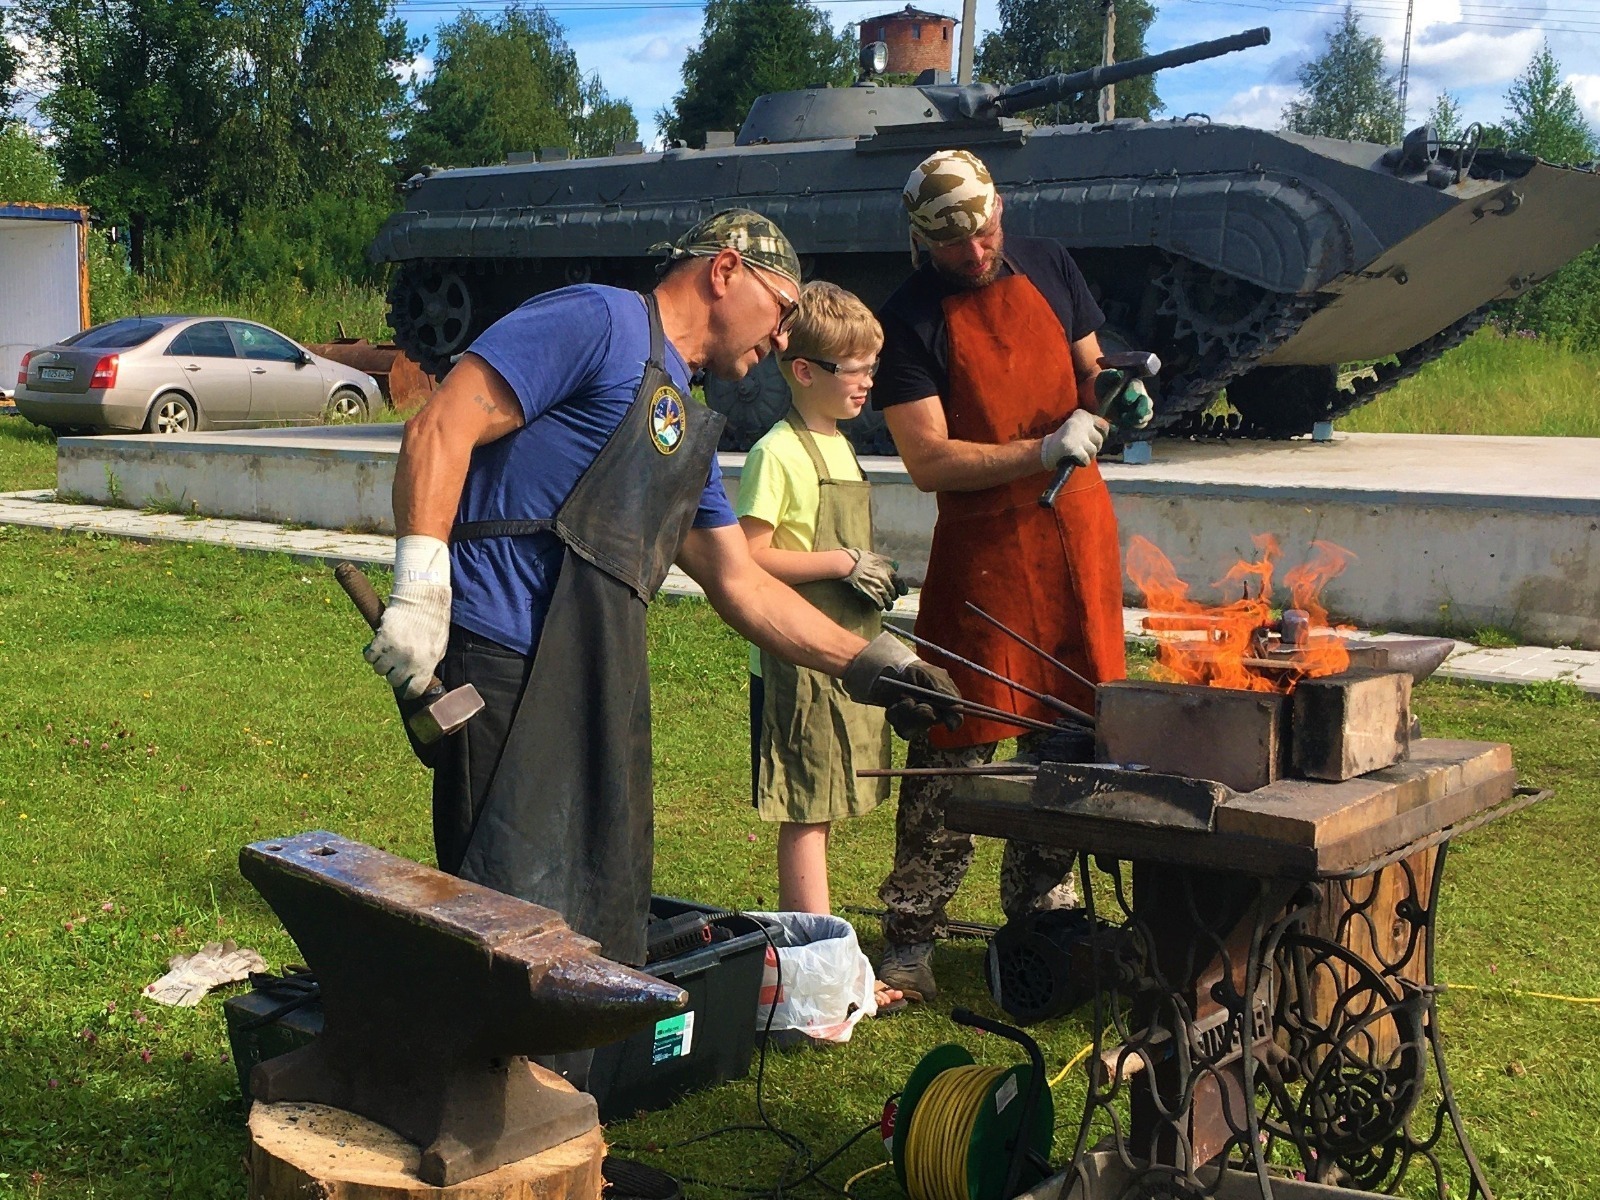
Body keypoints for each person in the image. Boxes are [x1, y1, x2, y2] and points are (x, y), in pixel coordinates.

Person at [360, 209, 963, 985]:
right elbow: (439, 427)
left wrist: (873, 665)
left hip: (595, 671)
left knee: (591, 893)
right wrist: (419, 591)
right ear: (724, 272)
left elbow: (739, 580)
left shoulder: (680, 413)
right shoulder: (595, 320)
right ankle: (485, 1078)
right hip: (505, 657)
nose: (783, 340)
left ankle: (563, 1067)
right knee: (503, 894)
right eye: (781, 312)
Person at [869, 150, 1154, 1003]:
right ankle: (911, 935)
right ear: (924, 243)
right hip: (986, 557)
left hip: (1077, 540)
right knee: (956, 738)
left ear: (1001, 212)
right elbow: (926, 459)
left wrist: (1116, 395)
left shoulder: (1052, 264)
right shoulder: (911, 319)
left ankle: (1044, 912)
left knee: (1071, 736)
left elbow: (1089, 371)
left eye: (988, 233)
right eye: (958, 247)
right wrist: (1037, 450)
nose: (980, 254)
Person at [736, 281, 909, 922]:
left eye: (872, 367)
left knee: (831, 801)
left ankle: (823, 951)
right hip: (794, 661)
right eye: (854, 369)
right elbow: (747, 559)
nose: (867, 382)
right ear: (803, 371)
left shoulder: (840, 444)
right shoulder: (776, 453)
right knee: (806, 809)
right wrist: (841, 562)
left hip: (846, 651)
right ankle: (812, 955)